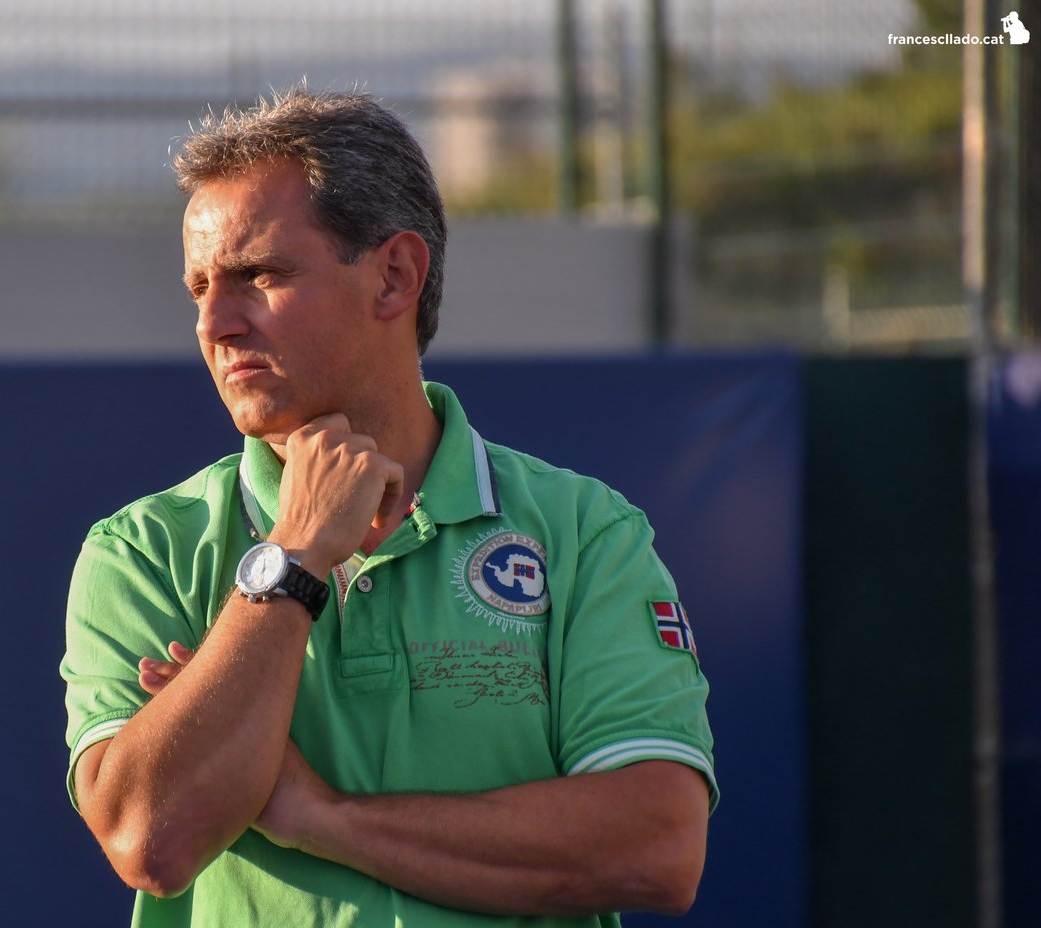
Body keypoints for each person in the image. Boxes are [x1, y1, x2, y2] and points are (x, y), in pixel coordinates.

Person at [61, 86, 716, 928]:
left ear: (396, 275)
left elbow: (655, 848)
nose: (215, 323)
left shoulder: (585, 532)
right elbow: (149, 839)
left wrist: (318, 817)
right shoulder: (143, 549)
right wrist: (295, 557)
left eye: (260, 275)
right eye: (199, 288)